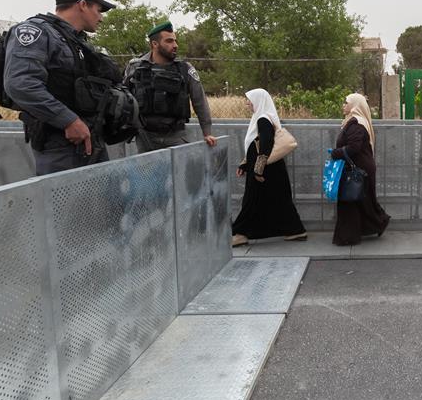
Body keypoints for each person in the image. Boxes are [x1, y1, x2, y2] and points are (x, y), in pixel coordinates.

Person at [3, 0, 119, 175]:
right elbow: (20, 83)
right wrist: (69, 121)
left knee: (101, 204)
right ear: (82, 5)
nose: (101, 18)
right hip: (60, 145)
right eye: (98, 10)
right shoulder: (36, 32)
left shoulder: (77, 41)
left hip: (90, 139)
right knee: (67, 205)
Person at [124, 21, 215, 152]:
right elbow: (124, 97)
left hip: (176, 137)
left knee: (179, 172)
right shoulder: (135, 67)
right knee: (147, 173)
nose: (175, 45)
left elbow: (199, 100)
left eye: (175, 41)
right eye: (169, 41)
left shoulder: (185, 69)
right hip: (145, 138)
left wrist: (207, 132)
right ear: (155, 44)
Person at [231, 88, 307, 246]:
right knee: (279, 200)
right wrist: (245, 164)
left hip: (264, 170)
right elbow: (255, 145)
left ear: (259, 101)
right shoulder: (261, 118)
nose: (247, 103)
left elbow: (265, 145)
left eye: (250, 100)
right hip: (270, 169)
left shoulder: (263, 119)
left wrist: (258, 169)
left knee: (251, 201)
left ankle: (240, 233)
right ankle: (295, 230)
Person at [329, 93, 390, 246]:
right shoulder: (354, 122)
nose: (343, 105)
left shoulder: (356, 124)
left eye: (346, 102)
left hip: (359, 168)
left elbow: (354, 147)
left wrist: (336, 153)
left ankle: (348, 236)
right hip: (359, 167)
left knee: (351, 201)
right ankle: (378, 223)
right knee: (361, 201)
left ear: (355, 105)